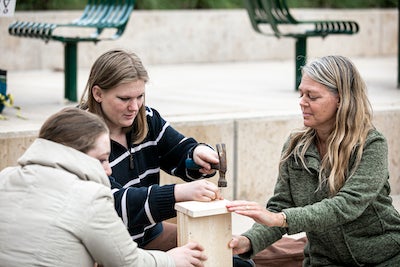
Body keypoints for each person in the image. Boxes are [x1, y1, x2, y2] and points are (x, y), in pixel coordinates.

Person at [226, 55, 400, 266]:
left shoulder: (371, 144)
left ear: (341, 99)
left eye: (312, 96)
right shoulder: (295, 146)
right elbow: (281, 205)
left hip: (386, 258)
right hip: (324, 261)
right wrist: (247, 241)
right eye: (301, 94)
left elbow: (347, 205)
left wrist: (283, 219)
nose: (302, 102)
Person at [0, 107, 207, 267]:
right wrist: (171, 260)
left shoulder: (5, 178)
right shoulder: (88, 197)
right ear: (74, 153)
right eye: (102, 160)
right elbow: (128, 262)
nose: (108, 170)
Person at [78, 49, 223, 252]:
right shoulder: (78, 136)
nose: (134, 107)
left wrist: (197, 155)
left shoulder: (146, 118)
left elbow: (180, 151)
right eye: (124, 98)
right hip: (108, 251)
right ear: (98, 93)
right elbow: (113, 204)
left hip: (151, 236)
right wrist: (178, 193)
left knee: (232, 251)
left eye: (140, 96)